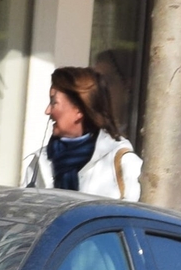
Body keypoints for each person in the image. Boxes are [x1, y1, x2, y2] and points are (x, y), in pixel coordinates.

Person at [21, 66, 140, 200]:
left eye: (54, 102)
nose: (47, 111)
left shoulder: (123, 164)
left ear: (79, 110)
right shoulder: (40, 161)